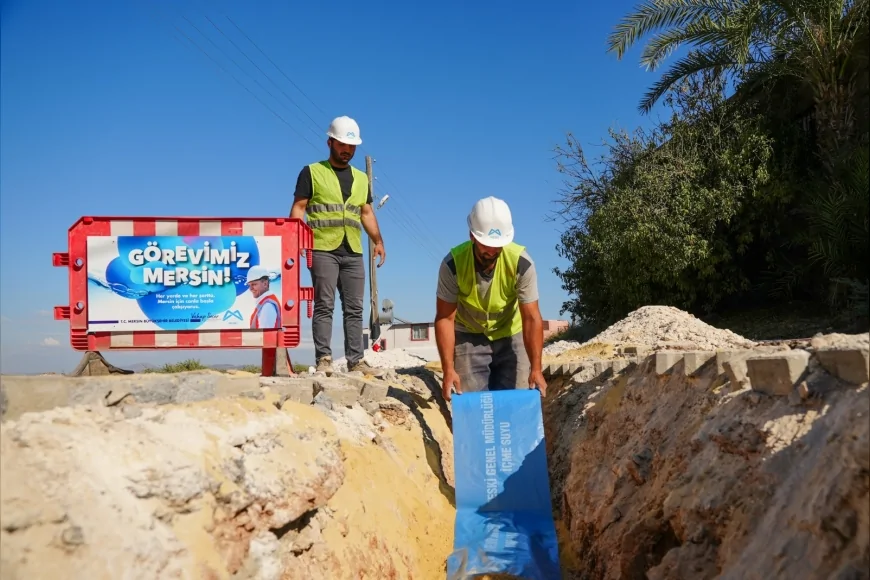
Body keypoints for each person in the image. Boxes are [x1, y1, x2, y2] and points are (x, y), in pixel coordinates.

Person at [290, 116, 386, 375]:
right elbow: (299, 208)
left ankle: (356, 361)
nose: (347, 150)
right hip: (322, 247)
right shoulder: (312, 172)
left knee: (354, 308)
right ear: (330, 142)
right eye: (343, 144)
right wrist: (295, 238)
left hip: (353, 250)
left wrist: (378, 240)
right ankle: (324, 360)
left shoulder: (361, 178)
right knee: (324, 305)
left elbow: (366, 212)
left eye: (352, 146)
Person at [434, 196, 547, 401]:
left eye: (498, 245)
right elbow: (444, 318)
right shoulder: (453, 265)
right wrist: (448, 369)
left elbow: (531, 317)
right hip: (469, 335)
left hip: (511, 333)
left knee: (517, 401)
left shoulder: (522, 263)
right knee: (475, 405)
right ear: (472, 236)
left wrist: (536, 369)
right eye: (487, 245)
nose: (493, 251)